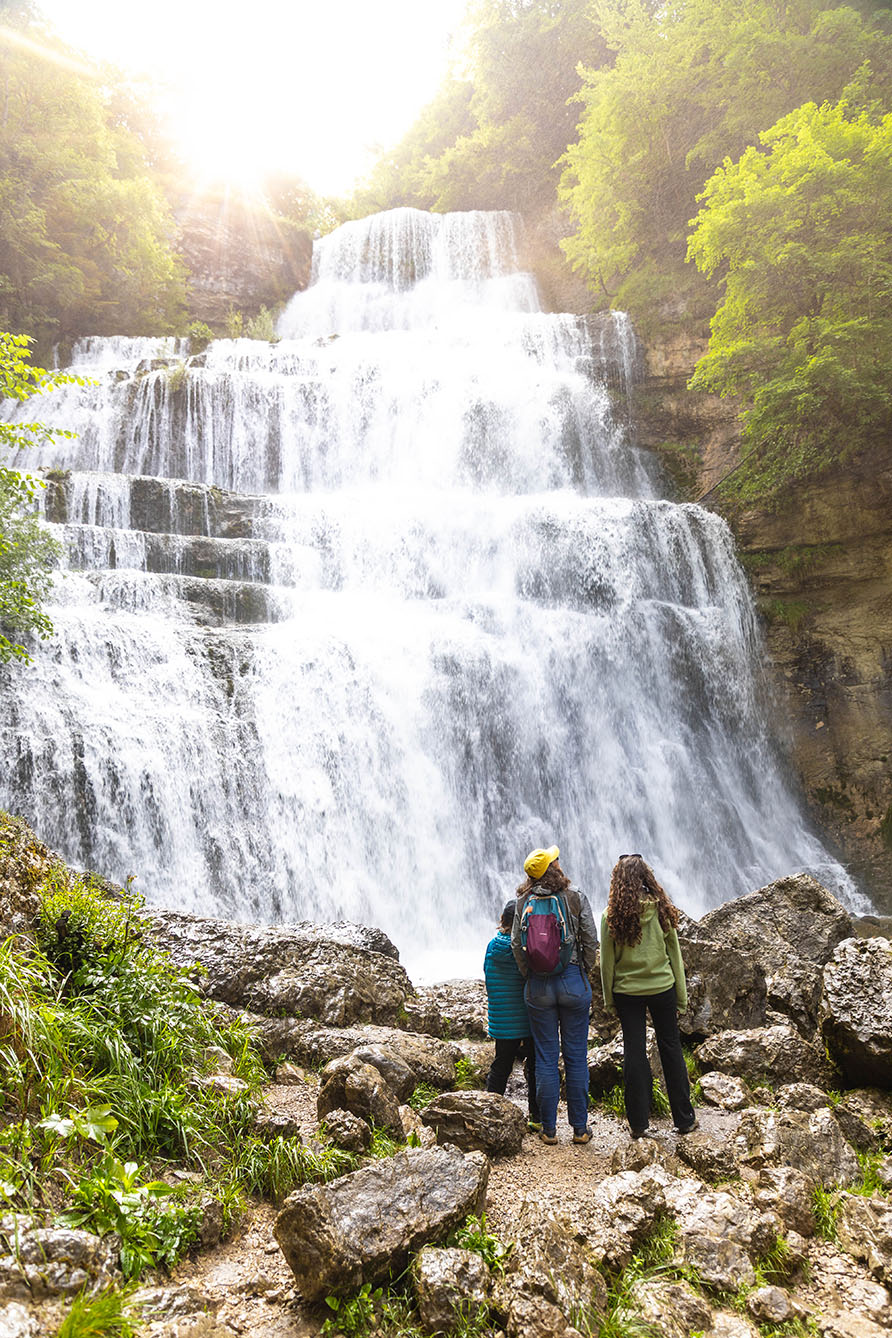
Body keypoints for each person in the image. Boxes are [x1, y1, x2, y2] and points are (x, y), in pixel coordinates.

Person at [599, 853, 696, 1139]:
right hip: (662, 987)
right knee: (671, 1048)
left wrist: (609, 1000)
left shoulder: (611, 916)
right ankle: (685, 1119)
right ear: (646, 879)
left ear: (618, 882)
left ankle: (638, 1123)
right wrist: (681, 996)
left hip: (628, 992)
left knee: (635, 1052)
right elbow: (674, 956)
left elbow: (607, 963)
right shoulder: (662, 911)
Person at [511, 845, 599, 1145]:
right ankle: (579, 1129)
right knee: (576, 1057)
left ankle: (548, 1130)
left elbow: (515, 945)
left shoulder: (523, 901)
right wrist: (583, 971)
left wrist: (531, 975)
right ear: (554, 868)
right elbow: (590, 939)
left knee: (546, 1058)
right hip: (573, 981)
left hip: (538, 986)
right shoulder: (575, 897)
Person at [483, 900, 541, 1131]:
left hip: (503, 1020)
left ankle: (487, 1112)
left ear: (503, 921)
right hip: (527, 1018)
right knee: (535, 1066)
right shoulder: (525, 948)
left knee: (501, 1066)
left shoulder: (491, 946)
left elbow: (488, 976)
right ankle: (536, 1117)